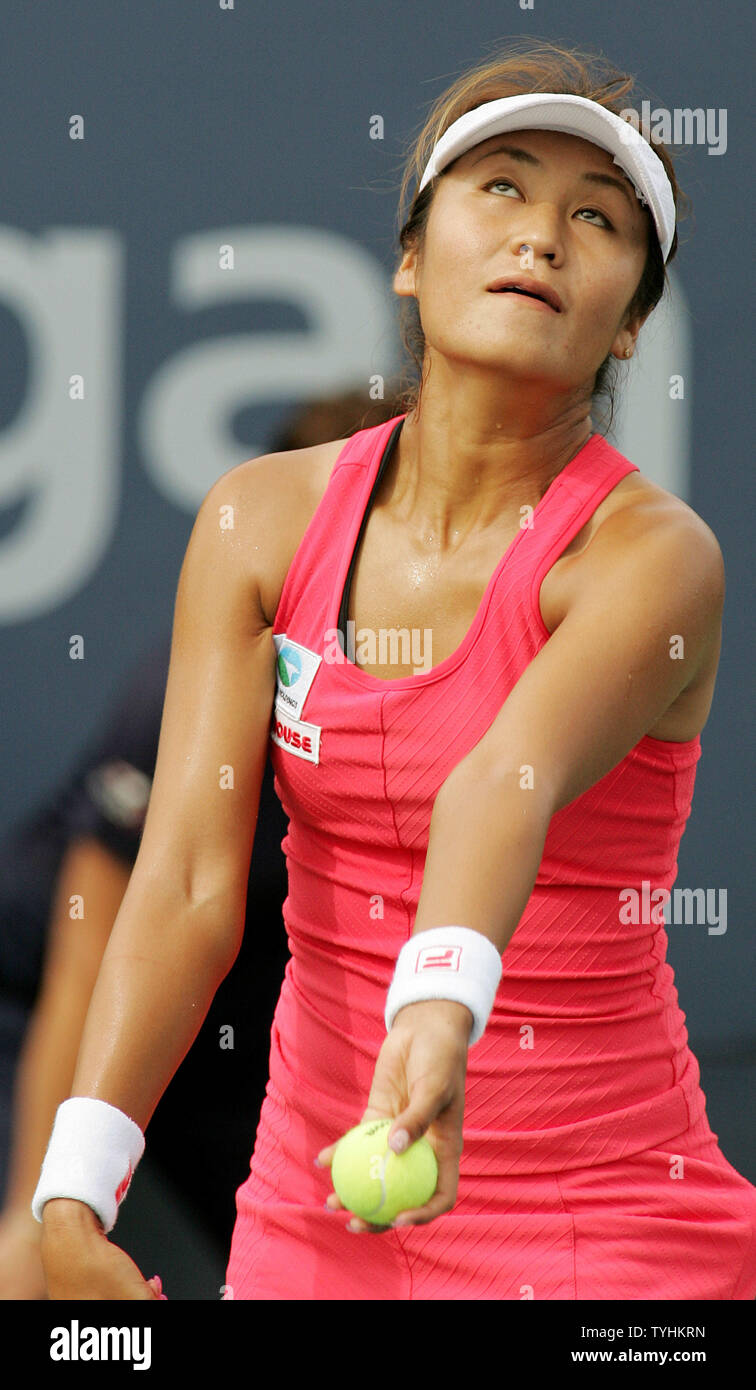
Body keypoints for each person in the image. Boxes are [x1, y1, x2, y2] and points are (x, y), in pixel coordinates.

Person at [36, 40, 756, 1301]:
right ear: (412, 261)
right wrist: (74, 1185)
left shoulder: (653, 558)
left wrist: (434, 1014)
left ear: (632, 325)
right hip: (317, 1214)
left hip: (608, 1229)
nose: (542, 236)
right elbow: (192, 882)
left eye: (598, 219)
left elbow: (503, 781)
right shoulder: (257, 521)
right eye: (503, 190)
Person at [0, 392, 403, 1298]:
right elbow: (94, 956)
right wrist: (38, 1209)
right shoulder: (183, 689)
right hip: (49, 994)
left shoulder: (432, 680)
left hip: (233, 1013)